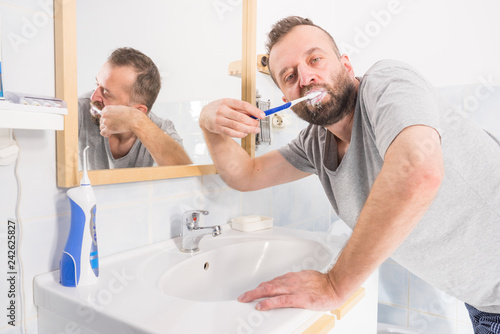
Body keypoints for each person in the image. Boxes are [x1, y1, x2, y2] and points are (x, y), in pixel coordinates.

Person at [199, 16, 500, 332]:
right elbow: (245, 175)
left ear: (345, 64)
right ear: (287, 101)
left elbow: (417, 171)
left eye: (315, 59)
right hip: (484, 306)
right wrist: (208, 123)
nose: (306, 77)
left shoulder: (387, 82)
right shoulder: (314, 144)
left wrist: (333, 284)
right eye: (289, 76)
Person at [78, 47, 192, 169]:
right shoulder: (82, 108)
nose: (94, 96)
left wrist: (136, 122)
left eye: (106, 93)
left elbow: (185, 176)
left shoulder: (161, 129)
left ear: (138, 111)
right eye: (97, 84)